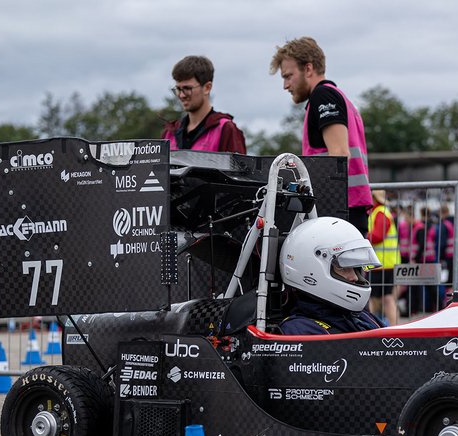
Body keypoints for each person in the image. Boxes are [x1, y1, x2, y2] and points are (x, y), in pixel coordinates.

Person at [270, 37, 372, 235]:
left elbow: (339, 157)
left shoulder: (323, 96)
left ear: (308, 69)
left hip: (340, 212)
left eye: (288, 76)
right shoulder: (337, 96)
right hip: (349, 209)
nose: (285, 85)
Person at [276, 216, 383, 335]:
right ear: (312, 269)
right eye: (343, 268)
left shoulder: (362, 317)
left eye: (355, 269)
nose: (355, 277)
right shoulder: (300, 329)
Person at [162, 55, 247, 153]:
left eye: (187, 89)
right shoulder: (169, 133)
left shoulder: (226, 129)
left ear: (207, 87)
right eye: (178, 89)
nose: (181, 95)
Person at [367, 189, 400, 325]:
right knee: (385, 298)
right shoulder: (379, 212)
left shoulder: (380, 212)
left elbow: (378, 236)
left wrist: (362, 236)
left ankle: (371, 327)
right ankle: (393, 328)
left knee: (377, 299)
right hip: (384, 264)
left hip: (381, 264)